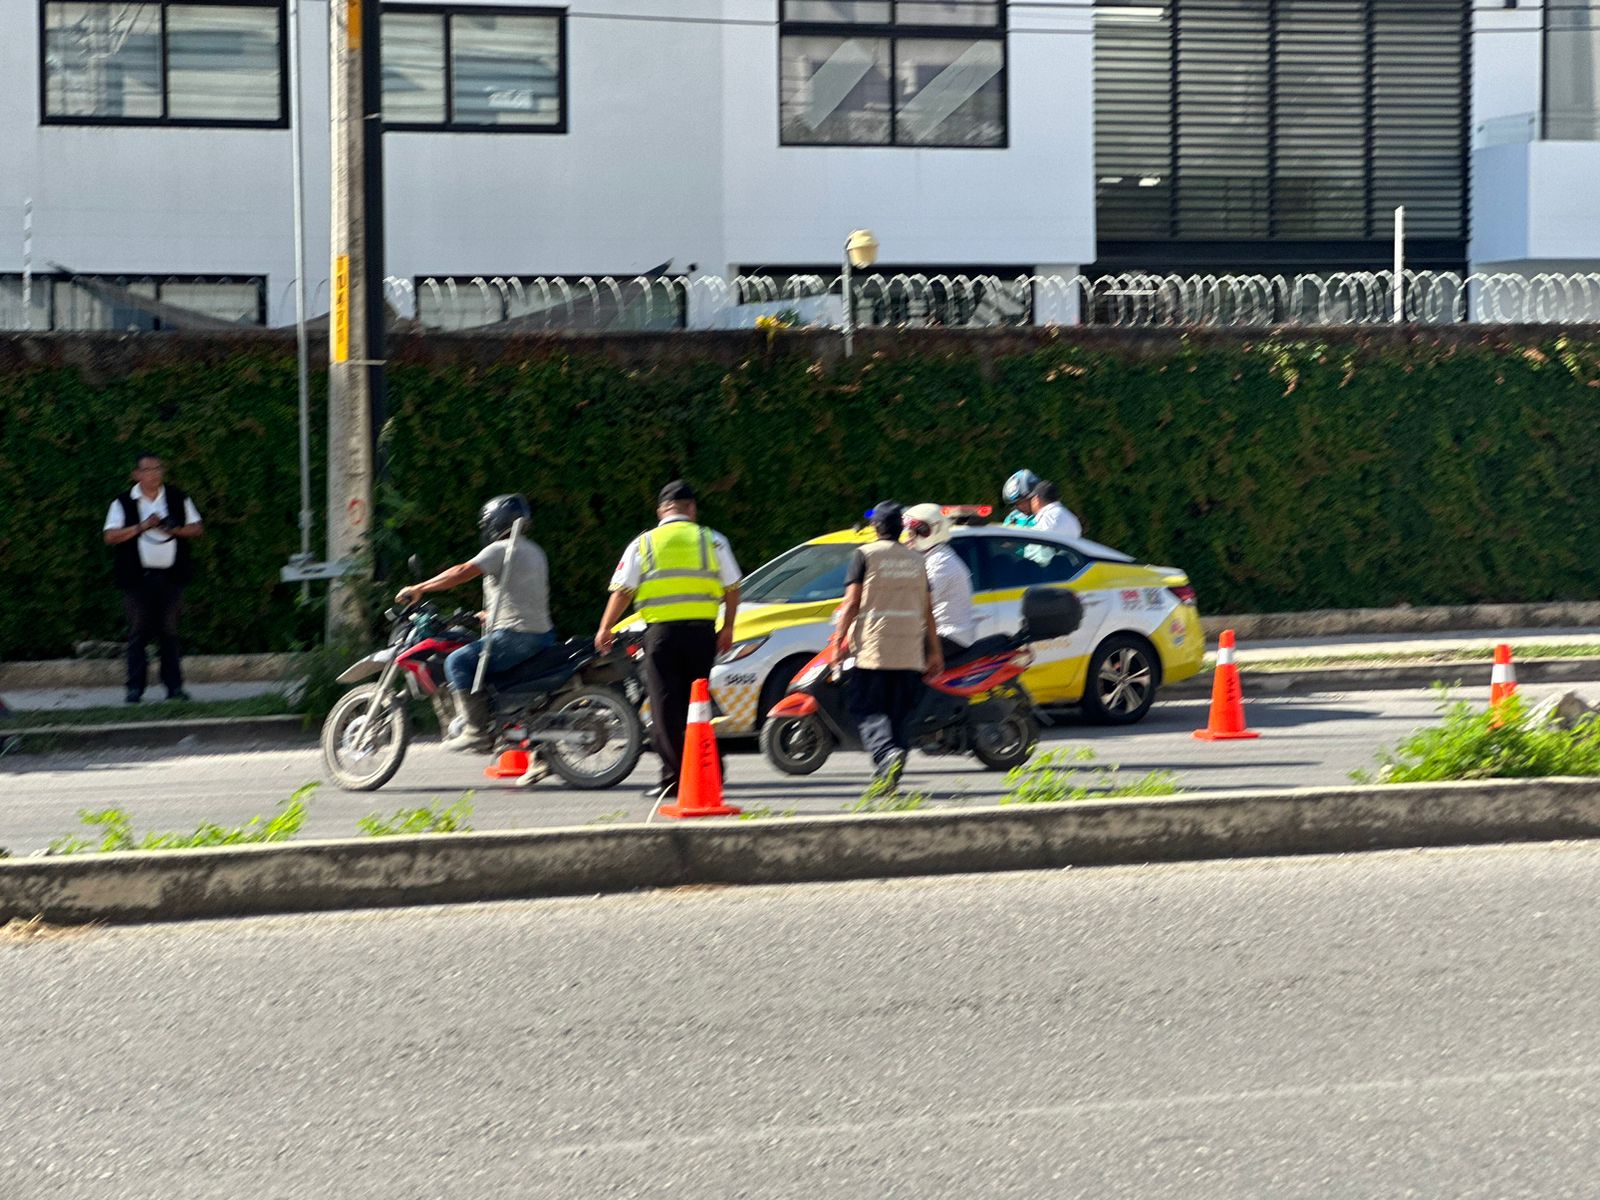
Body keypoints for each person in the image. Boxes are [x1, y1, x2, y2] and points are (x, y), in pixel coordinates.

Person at [596, 480, 741, 801]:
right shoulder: (712, 540)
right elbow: (732, 586)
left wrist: (606, 627)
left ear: (661, 510)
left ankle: (676, 779)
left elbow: (623, 590)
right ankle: (711, 771)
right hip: (702, 634)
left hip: (661, 635)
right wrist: (728, 628)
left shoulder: (644, 543)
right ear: (692, 509)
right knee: (698, 703)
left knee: (665, 707)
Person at [396, 494, 554, 752]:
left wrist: (419, 588)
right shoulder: (534, 550)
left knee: (456, 661)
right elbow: (522, 594)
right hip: (540, 634)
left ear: (496, 521)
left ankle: (475, 730)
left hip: (516, 637)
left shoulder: (500, 549)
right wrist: (487, 615)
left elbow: (460, 572)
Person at [830, 501, 944, 788]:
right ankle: (888, 775)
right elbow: (928, 610)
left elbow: (851, 603)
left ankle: (885, 753)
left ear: (876, 528)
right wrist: (935, 651)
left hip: (874, 649)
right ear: (899, 529)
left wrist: (837, 646)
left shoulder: (864, 555)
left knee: (865, 708)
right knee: (899, 715)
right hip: (909, 651)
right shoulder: (918, 560)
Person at [103, 452, 203, 704]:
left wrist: (173, 529)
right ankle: (135, 688)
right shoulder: (124, 502)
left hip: (171, 577)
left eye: (158, 468)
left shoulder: (177, 498)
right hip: (137, 579)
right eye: (148, 470)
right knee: (138, 633)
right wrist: (142, 526)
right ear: (137, 475)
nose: (154, 474)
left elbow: (197, 528)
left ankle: (174, 688)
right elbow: (111, 536)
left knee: (169, 632)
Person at [903, 502, 979, 661]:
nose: (909, 537)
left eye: (913, 531)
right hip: (935, 632)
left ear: (929, 531)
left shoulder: (940, 562)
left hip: (951, 635)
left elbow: (919, 603)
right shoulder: (927, 558)